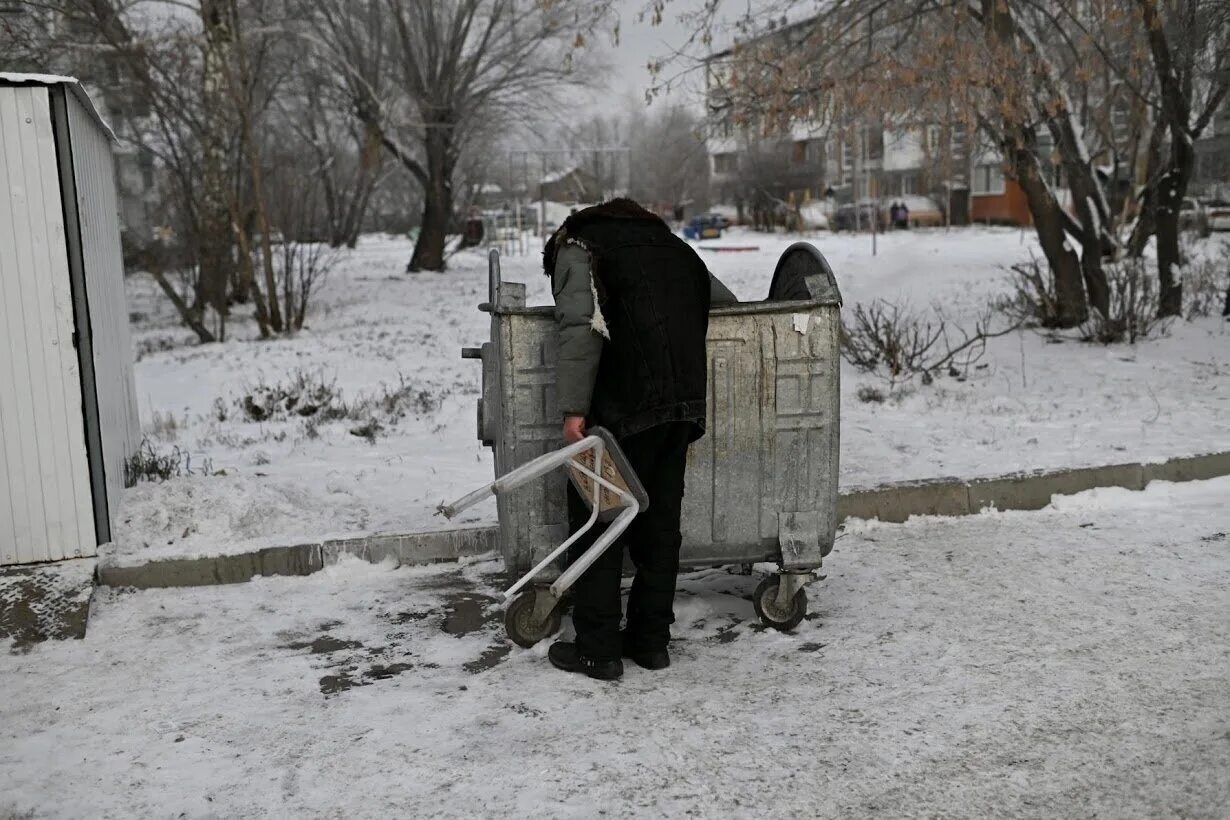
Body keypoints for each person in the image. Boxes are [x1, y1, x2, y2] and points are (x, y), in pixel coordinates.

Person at [541, 197, 736, 680]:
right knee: (660, 526)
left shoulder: (581, 248)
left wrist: (573, 412)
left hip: (621, 409)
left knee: (598, 522)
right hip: (684, 408)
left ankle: (598, 650)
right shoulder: (678, 249)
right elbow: (728, 306)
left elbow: (577, 330)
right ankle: (651, 643)